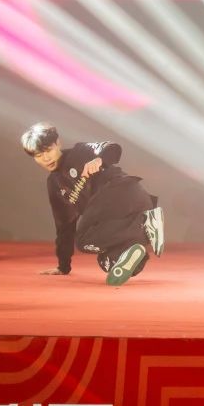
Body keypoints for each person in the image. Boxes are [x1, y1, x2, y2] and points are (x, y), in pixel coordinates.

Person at [20, 122, 165, 286]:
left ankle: (144, 227)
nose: (46, 158)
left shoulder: (79, 152)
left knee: (83, 239)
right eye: (39, 155)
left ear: (57, 143)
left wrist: (99, 160)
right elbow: (64, 226)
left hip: (124, 192)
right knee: (106, 260)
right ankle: (134, 247)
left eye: (48, 150)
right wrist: (63, 266)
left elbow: (112, 147)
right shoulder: (54, 184)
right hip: (121, 215)